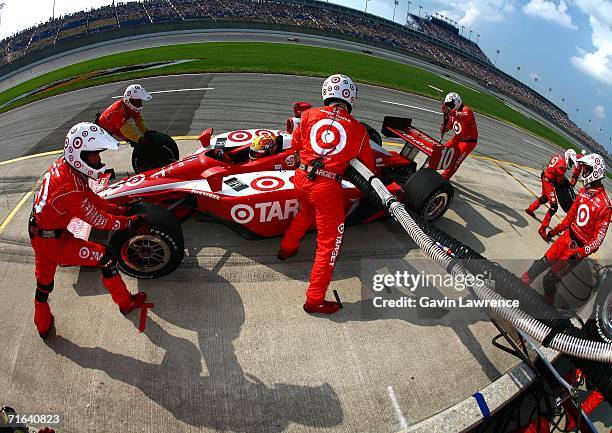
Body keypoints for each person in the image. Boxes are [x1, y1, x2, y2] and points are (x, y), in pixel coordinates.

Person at [29, 122, 151, 339]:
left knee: (44, 287)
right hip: (53, 242)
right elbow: (100, 221)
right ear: (80, 155)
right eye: (94, 155)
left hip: (42, 234)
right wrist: (129, 222)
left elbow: (91, 199)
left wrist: (119, 209)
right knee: (105, 257)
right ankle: (125, 303)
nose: (98, 159)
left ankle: (42, 325)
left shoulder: (66, 167)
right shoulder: (70, 188)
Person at [277, 73, 375, 315]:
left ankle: (287, 248)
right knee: (329, 245)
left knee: (305, 212)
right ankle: (314, 299)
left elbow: (297, 146)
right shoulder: (359, 130)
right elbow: (370, 169)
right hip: (327, 187)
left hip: (300, 179)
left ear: (326, 94)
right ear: (350, 98)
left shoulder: (308, 115)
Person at [521, 154, 610, 304]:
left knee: (549, 280)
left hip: (576, 250)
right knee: (538, 265)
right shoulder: (583, 192)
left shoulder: (605, 205)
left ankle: (546, 309)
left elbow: (598, 240)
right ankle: (515, 289)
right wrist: (553, 232)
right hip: (566, 238)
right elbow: (569, 219)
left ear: (596, 172)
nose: (583, 173)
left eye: (586, 170)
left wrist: (579, 253)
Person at [525, 149, 577, 240]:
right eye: (571, 161)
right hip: (548, 182)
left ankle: (530, 209)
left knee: (544, 198)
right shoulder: (563, 166)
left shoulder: (557, 156)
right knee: (554, 207)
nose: (572, 164)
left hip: (545, 176)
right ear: (568, 157)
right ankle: (542, 229)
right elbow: (559, 181)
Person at [439, 92, 478, 179]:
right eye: (447, 105)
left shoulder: (466, 110)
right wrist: (444, 123)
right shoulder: (453, 113)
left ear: (457, 102)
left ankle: (444, 178)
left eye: (450, 104)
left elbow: (462, 115)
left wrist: (450, 112)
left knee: (455, 161)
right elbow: (447, 128)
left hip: (468, 142)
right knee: (442, 151)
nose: (449, 107)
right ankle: (431, 167)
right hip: (457, 138)